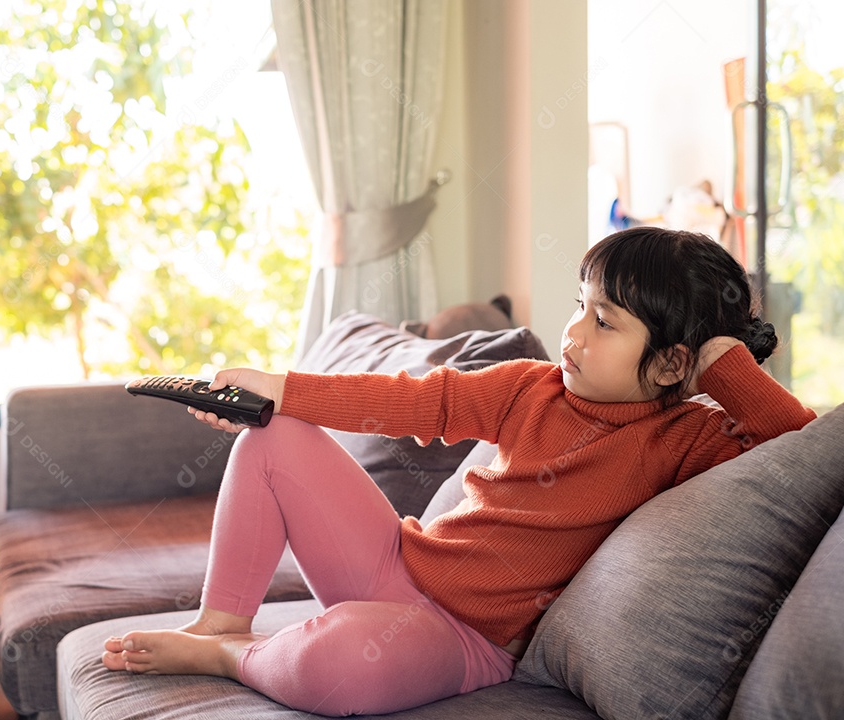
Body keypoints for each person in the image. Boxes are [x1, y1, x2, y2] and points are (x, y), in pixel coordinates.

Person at [102, 227, 815, 717]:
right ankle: (220, 623)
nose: (573, 332)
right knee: (275, 435)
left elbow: (800, 447)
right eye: (580, 306)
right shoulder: (529, 385)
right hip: (394, 562)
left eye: (604, 322)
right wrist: (279, 389)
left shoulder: (688, 440)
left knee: (347, 667)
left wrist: (723, 364)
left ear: (670, 363)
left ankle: (233, 657)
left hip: (464, 640)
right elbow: (407, 400)